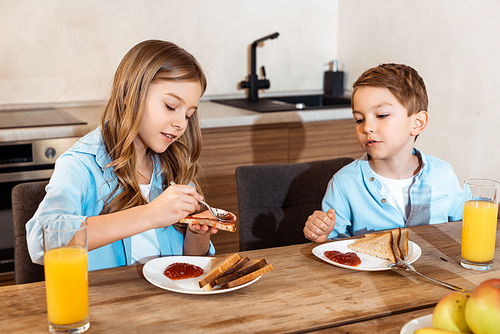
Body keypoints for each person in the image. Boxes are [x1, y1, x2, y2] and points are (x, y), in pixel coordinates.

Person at [26, 39, 226, 270]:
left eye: (189, 114)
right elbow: (41, 242)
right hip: (107, 303)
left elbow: (191, 264)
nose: (181, 123)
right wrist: (151, 214)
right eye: (171, 106)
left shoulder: (173, 163)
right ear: (128, 95)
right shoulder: (81, 164)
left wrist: (197, 233)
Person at [304, 63, 463, 242]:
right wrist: (322, 235)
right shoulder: (344, 183)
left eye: (381, 116)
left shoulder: (443, 174)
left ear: (417, 123)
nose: (367, 127)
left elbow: (466, 221)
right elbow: (332, 246)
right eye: (359, 120)